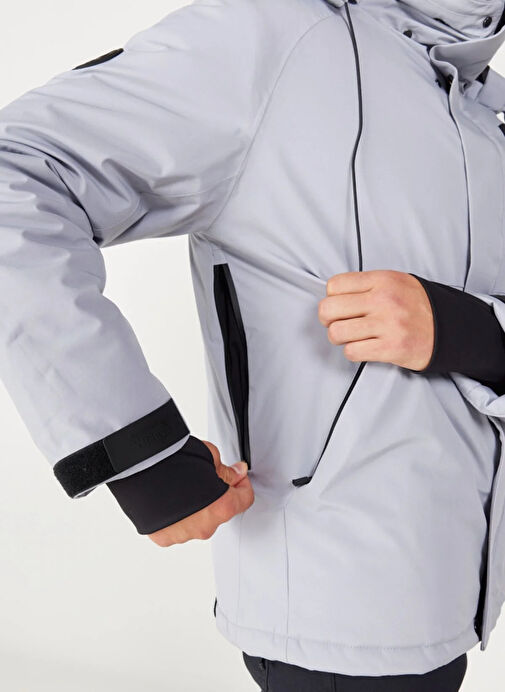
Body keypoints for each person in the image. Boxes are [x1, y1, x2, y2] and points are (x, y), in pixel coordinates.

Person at [2, 0, 505, 689]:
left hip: (458, 598)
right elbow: (16, 174)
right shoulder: (272, 36)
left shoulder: (479, 106)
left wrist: (475, 334)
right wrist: (136, 452)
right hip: (332, 616)